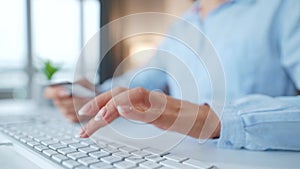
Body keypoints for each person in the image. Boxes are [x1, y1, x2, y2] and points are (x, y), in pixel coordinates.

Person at [44, 0, 300, 151]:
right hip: (174, 156)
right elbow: (139, 82)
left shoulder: (285, 9)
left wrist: (208, 119)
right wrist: (93, 95)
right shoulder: (179, 26)